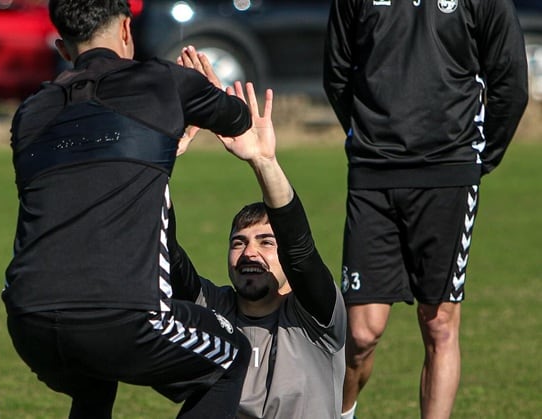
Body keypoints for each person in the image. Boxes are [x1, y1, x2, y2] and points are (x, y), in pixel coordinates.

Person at [3, 1, 254, 418]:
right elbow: (237, 118)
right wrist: (202, 91)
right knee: (231, 356)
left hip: (29, 323)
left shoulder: (30, 113)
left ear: (64, 49)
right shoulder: (164, 82)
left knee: (93, 379)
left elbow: (88, 177)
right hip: (124, 318)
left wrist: (157, 145)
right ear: (125, 30)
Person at [323, 0, 529, 418]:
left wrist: (477, 159)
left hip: (448, 174)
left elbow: (510, 80)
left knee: (438, 323)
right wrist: (370, 137)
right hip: (373, 173)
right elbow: (337, 71)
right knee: (360, 334)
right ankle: (340, 414)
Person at [172, 48, 346, 419]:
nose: (250, 253)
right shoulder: (214, 309)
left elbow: (299, 249)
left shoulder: (315, 315)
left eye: (266, 242)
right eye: (239, 242)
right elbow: (162, 252)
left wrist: (264, 162)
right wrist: (163, 154)